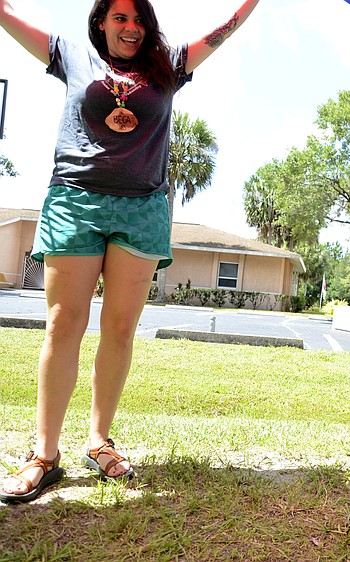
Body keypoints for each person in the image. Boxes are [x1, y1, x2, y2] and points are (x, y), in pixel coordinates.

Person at [0, 0, 261, 504]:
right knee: (63, 324)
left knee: (120, 329)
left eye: (139, 19)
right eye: (120, 17)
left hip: (141, 209)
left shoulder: (169, 65)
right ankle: (44, 454)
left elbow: (223, 30)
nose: (131, 28)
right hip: (76, 200)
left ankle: (99, 440)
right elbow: (11, 19)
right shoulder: (71, 55)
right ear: (100, 21)